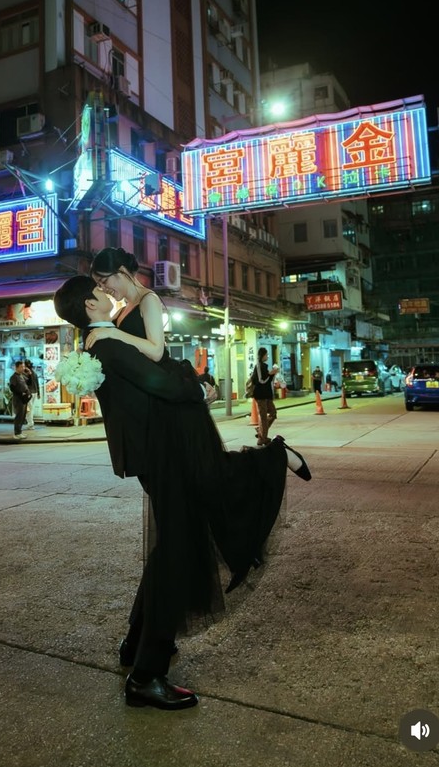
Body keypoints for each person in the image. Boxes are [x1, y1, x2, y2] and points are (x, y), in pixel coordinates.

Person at [54, 275, 310, 712]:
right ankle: (145, 677)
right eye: (99, 291)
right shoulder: (109, 344)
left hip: (158, 457)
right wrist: (199, 387)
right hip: (165, 457)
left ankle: (136, 645)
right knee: (179, 553)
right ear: (90, 305)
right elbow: (159, 384)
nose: (106, 292)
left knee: (169, 550)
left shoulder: (99, 343)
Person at [250, 348, 278, 447]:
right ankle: (262, 438)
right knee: (263, 417)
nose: (267, 356)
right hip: (260, 395)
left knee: (273, 413)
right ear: (262, 355)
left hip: (267, 395)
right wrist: (270, 374)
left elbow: (268, 380)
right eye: (266, 355)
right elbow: (261, 380)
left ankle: (261, 431)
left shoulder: (265, 366)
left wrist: (272, 374)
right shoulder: (258, 366)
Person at [9, 361, 31, 439]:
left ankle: (20, 432)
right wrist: (21, 393)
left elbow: (29, 383)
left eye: (23, 367)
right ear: (17, 367)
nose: (23, 368)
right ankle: (16, 433)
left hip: (24, 399)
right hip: (18, 399)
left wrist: (30, 374)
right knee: (19, 416)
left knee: (23, 416)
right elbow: (12, 388)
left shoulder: (22, 375)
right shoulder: (14, 377)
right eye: (21, 367)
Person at [23, 359, 40, 429]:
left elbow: (25, 383)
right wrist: (38, 393)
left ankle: (30, 423)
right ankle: (30, 424)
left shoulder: (26, 373)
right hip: (34, 392)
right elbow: (37, 383)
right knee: (30, 408)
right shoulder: (34, 372)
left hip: (29, 393)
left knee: (28, 409)